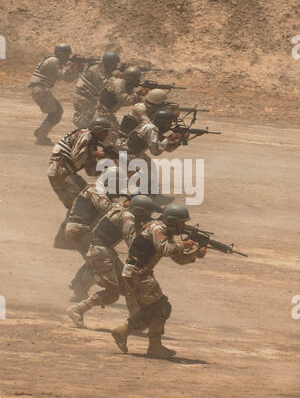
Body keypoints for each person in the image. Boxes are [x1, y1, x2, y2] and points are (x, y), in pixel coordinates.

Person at [111, 204, 206, 359]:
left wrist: (195, 254)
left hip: (139, 273)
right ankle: (138, 338)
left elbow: (178, 259)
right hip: (138, 273)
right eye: (182, 222)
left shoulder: (164, 232)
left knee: (155, 309)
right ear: (172, 220)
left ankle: (128, 333)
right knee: (161, 307)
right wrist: (186, 244)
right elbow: (166, 249)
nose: (184, 226)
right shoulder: (157, 228)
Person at [67, 195, 161, 327]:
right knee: (112, 293)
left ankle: (135, 320)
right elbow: (132, 241)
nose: (149, 215)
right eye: (148, 213)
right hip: (101, 252)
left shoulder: (122, 210)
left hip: (104, 251)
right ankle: (77, 309)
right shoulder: (128, 217)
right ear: (140, 212)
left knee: (128, 286)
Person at [47, 117, 113, 248]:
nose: (107, 135)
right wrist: (97, 154)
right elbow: (77, 158)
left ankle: (68, 239)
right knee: (78, 205)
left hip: (67, 173)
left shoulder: (91, 142)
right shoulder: (85, 136)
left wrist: (109, 165)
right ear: (97, 130)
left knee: (86, 201)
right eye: (105, 131)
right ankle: (64, 241)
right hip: (61, 172)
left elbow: (91, 171)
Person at [29, 44, 80, 145]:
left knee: (57, 111)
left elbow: (69, 79)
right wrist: (72, 66)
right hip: (40, 89)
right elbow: (64, 76)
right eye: (67, 55)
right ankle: (41, 136)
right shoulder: (54, 61)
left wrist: (75, 69)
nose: (67, 57)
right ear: (61, 54)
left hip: (40, 89)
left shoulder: (53, 60)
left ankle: (40, 133)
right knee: (56, 113)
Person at [73, 51, 121, 129]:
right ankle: (74, 139)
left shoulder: (102, 68)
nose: (115, 66)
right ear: (110, 63)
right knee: (83, 123)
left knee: (88, 122)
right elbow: (105, 85)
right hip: (83, 97)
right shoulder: (96, 69)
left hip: (88, 97)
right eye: (114, 64)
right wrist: (117, 76)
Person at [98, 66, 145, 133]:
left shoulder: (126, 85)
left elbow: (132, 97)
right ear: (131, 79)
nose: (139, 81)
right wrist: (138, 94)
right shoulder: (118, 84)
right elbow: (124, 101)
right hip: (102, 111)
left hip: (107, 112)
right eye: (136, 79)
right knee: (112, 133)